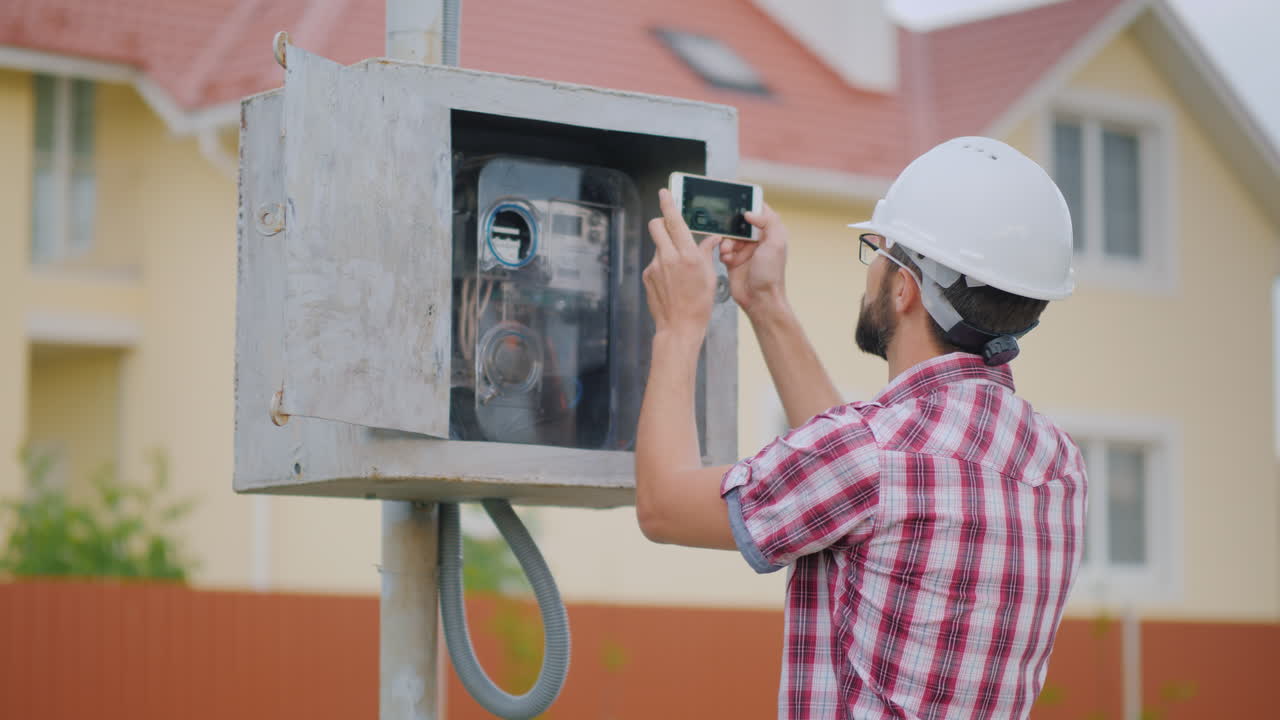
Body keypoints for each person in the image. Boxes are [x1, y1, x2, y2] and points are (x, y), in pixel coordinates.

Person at [634, 136, 1087, 719]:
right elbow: (851, 485)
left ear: (904, 288)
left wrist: (678, 326)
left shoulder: (871, 456)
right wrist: (766, 302)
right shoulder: (1057, 465)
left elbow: (663, 505)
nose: (871, 268)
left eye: (878, 251)